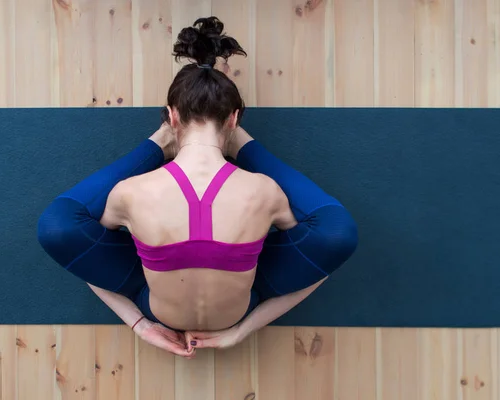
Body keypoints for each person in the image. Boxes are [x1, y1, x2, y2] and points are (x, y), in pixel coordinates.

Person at [37, 17, 358, 359]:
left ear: (172, 117)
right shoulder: (266, 192)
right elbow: (323, 259)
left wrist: (140, 324)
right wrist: (240, 330)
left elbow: (80, 254)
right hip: (242, 307)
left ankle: (156, 145)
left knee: (58, 227)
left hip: (154, 305)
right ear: (234, 119)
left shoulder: (129, 193)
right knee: (337, 234)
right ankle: (239, 148)